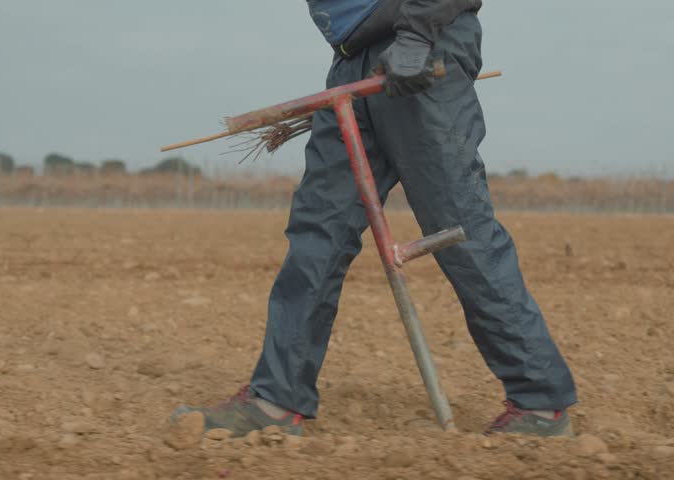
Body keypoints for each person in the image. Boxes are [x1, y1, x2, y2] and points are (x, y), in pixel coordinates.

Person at [169, 0, 577, 438]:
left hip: (418, 47)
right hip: (352, 61)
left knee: (460, 230)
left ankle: (540, 401)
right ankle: (276, 399)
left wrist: (417, 35)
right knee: (317, 230)